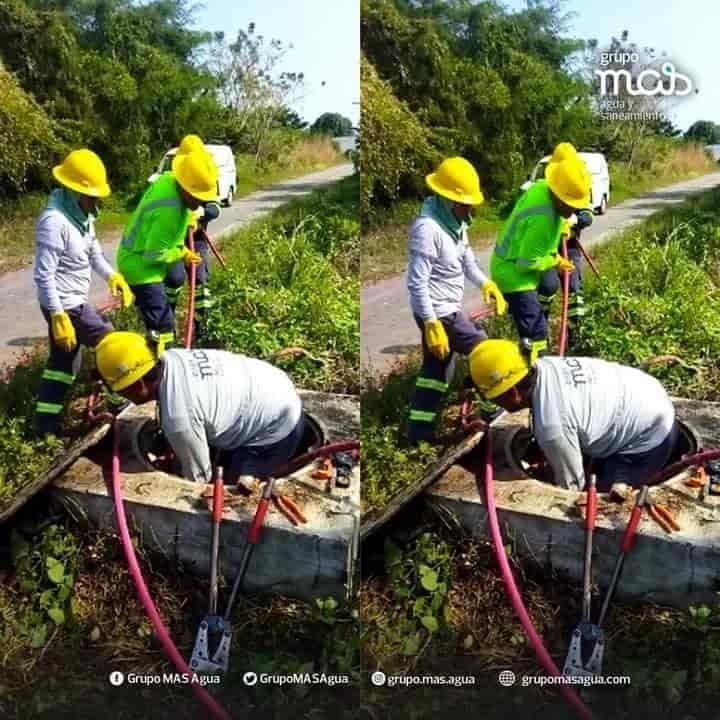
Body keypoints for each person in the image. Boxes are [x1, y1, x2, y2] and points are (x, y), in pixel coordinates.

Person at [468, 339, 679, 492]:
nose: (492, 402)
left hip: (651, 438)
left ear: (513, 392)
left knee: (603, 496)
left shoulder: (552, 428)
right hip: (648, 395)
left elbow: (571, 488)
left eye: (493, 397)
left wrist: (551, 480)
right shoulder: (544, 365)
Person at [94, 331, 304, 483]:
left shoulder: (179, 419)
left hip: (278, 429)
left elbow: (199, 479)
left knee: (232, 491)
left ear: (138, 385)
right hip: (274, 387)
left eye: (119, 389)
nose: (118, 394)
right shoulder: (171, 357)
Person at [405, 156, 507, 444]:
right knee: (484, 348)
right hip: (437, 312)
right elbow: (417, 282)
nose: (470, 209)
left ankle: (418, 435)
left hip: (445, 310)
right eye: (465, 204)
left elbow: (468, 263)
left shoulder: (456, 225)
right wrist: (430, 323)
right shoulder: (428, 230)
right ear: (448, 199)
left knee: (436, 373)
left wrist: (486, 283)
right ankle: (489, 405)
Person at [33, 148, 133, 435]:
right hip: (64, 304)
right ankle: (117, 400)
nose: (98, 201)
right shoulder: (54, 223)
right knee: (111, 341)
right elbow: (44, 275)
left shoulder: (82, 217)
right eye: (93, 196)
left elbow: (94, 255)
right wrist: (57, 315)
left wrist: (112, 275)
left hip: (72, 302)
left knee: (64, 364)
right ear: (75, 191)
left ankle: (45, 427)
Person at [490, 156, 591, 362]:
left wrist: (556, 251)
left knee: (535, 329)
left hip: (509, 265)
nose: (572, 211)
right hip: (514, 275)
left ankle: (533, 366)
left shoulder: (542, 187)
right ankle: (537, 376)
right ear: (559, 196)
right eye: (570, 205)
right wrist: (555, 262)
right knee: (536, 332)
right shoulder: (543, 218)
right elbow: (526, 263)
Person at [117, 148, 218, 353]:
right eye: (197, 197)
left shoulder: (168, 179)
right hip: (141, 268)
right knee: (164, 327)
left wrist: (187, 224)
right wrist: (182, 254)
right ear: (186, 189)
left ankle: (158, 357)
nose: (199, 203)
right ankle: (164, 372)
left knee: (162, 322)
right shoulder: (169, 211)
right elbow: (154, 254)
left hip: (137, 259)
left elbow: (168, 239)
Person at [163, 135, 222, 346]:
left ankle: (203, 330)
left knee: (200, 281)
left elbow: (215, 207)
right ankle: (166, 329)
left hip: (196, 239)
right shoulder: (172, 173)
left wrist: (200, 213)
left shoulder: (205, 173)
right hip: (173, 240)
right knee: (173, 280)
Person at [536, 144, 594, 349]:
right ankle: (539, 334)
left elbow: (589, 214)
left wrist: (575, 221)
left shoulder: (579, 181)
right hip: (546, 248)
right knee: (545, 288)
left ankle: (575, 336)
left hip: (569, 247)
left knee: (574, 288)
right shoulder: (545, 184)